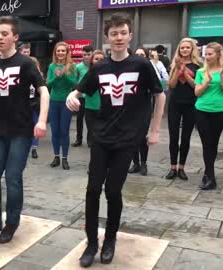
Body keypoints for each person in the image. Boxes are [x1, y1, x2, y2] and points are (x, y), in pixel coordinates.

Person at [66, 13, 165, 267]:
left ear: (130, 35)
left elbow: (160, 95)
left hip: (128, 138)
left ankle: (110, 240)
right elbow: (78, 91)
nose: (119, 37)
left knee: (112, 190)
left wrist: (154, 130)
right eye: (114, 34)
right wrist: (72, 97)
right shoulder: (99, 67)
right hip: (101, 135)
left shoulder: (141, 65)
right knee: (92, 189)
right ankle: (91, 243)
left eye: (123, 33)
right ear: (107, 38)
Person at [0, 16, 49, 245]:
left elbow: (44, 91)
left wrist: (42, 121)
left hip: (21, 130)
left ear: (15, 38)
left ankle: (11, 223)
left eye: (4, 34)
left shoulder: (26, 64)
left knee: (13, 178)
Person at [165, 38, 202, 181]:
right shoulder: (174, 63)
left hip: (190, 103)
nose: (185, 50)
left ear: (192, 49)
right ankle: (173, 167)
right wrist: (177, 68)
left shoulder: (198, 65)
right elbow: (171, 84)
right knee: (173, 136)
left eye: (187, 47)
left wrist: (184, 71)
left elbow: (195, 86)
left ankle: (181, 167)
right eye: (182, 48)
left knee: (185, 137)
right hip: (175, 103)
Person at [194, 42, 223, 190]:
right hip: (202, 110)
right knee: (206, 144)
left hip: (219, 110)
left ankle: (208, 174)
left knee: (214, 143)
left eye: (210, 53)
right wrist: (206, 82)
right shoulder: (201, 71)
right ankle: (210, 176)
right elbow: (197, 92)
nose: (207, 56)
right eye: (206, 53)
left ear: (218, 54)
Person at [47, 42, 78, 170]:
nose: (60, 53)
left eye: (63, 51)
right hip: (54, 101)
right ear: (55, 52)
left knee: (64, 131)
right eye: (58, 51)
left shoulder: (71, 66)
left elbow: (74, 83)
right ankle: (56, 157)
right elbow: (48, 83)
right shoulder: (51, 66)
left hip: (66, 102)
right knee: (54, 131)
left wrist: (65, 75)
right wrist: (56, 77)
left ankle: (65, 158)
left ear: (67, 53)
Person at [127, 47, 154, 176]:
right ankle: (135, 163)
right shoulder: (129, 69)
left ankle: (143, 163)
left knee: (142, 137)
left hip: (144, 108)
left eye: (142, 54)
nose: (139, 56)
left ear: (146, 57)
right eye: (137, 54)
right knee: (131, 137)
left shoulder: (149, 69)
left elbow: (157, 89)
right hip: (129, 108)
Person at [84, 50, 105, 151]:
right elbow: (82, 89)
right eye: (97, 59)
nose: (99, 61)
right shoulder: (89, 73)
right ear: (92, 60)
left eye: (102, 59)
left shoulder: (108, 74)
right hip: (90, 107)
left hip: (104, 108)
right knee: (92, 133)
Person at [73, 45, 94, 147]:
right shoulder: (78, 67)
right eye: (84, 54)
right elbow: (75, 80)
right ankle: (78, 139)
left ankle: (90, 140)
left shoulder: (94, 66)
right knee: (79, 119)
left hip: (91, 97)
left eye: (89, 54)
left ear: (92, 54)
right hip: (81, 97)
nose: (86, 57)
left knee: (90, 120)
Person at [29, 56, 43, 159]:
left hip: (35, 104)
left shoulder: (40, 77)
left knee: (36, 125)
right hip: (24, 103)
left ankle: (34, 148)